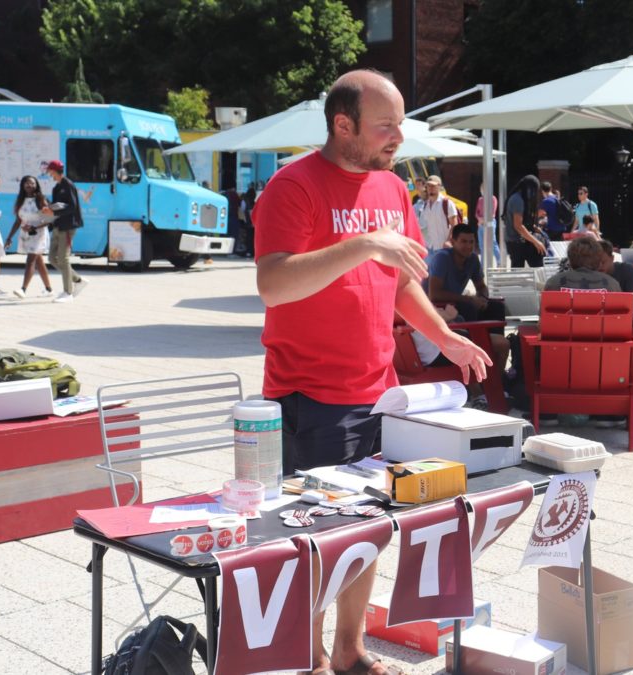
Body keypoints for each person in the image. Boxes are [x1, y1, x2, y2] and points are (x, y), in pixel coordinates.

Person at [253, 69, 490, 675]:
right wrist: (363, 246)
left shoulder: (389, 187)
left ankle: (350, 651)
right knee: (316, 535)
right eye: (386, 126)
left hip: (380, 392)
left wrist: (444, 337)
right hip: (310, 394)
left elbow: (403, 278)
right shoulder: (293, 186)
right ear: (343, 125)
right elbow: (275, 284)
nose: (399, 138)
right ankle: (307, 659)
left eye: (401, 123)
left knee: (370, 530)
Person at [427, 224, 504, 322]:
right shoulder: (442, 258)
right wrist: (470, 300)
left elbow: (481, 286)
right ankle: (472, 337)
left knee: (497, 307)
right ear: (453, 242)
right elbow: (434, 294)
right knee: (468, 307)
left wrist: (482, 298)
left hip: (454, 304)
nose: (468, 246)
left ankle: (494, 337)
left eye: (471, 242)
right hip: (432, 307)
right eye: (463, 241)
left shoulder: (473, 259)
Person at [44, 159, 88, 303]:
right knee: (52, 258)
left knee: (63, 258)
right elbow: (58, 207)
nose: (48, 173)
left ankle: (68, 292)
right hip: (58, 226)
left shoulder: (68, 185)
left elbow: (72, 207)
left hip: (68, 227)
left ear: (55, 171)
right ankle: (78, 280)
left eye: (50, 171)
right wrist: (48, 209)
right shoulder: (56, 187)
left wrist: (54, 213)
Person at [4, 175, 54, 298]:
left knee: (30, 260)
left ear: (36, 185)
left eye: (32, 183)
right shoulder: (21, 200)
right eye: (26, 183)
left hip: (39, 233)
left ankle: (23, 289)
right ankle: (49, 289)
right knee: (38, 261)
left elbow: (50, 219)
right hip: (26, 234)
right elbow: (18, 221)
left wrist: (34, 228)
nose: (29, 185)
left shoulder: (41, 199)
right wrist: (9, 237)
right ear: (22, 185)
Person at [543, 237, 620, 291]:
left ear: (569, 262)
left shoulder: (553, 283)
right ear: (599, 262)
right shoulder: (612, 285)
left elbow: (543, 313)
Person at [502, 175, 546, 268]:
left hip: (519, 241)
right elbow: (518, 226)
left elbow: (522, 223)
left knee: (535, 266)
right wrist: (536, 242)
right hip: (516, 242)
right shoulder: (517, 200)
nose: (534, 194)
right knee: (519, 272)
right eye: (534, 190)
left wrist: (534, 228)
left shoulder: (520, 198)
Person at [414, 174, 458, 254]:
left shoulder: (447, 203)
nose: (430, 188)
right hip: (430, 248)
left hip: (445, 248)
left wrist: (449, 241)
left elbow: (455, 225)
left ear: (439, 187)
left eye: (433, 186)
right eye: (428, 185)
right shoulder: (426, 205)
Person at [598, 239, 633, 303]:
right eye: (596, 262)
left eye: (603, 262)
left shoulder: (627, 270)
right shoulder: (589, 272)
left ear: (612, 258)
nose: (599, 266)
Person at [474, 182, 500, 263]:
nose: (483, 190)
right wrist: (479, 219)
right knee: (482, 246)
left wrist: (482, 220)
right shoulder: (480, 199)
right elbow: (476, 212)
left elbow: (492, 213)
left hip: (490, 223)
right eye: (482, 188)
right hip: (481, 224)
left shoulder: (493, 199)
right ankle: (482, 265)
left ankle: (499, 261)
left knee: (493, 243)